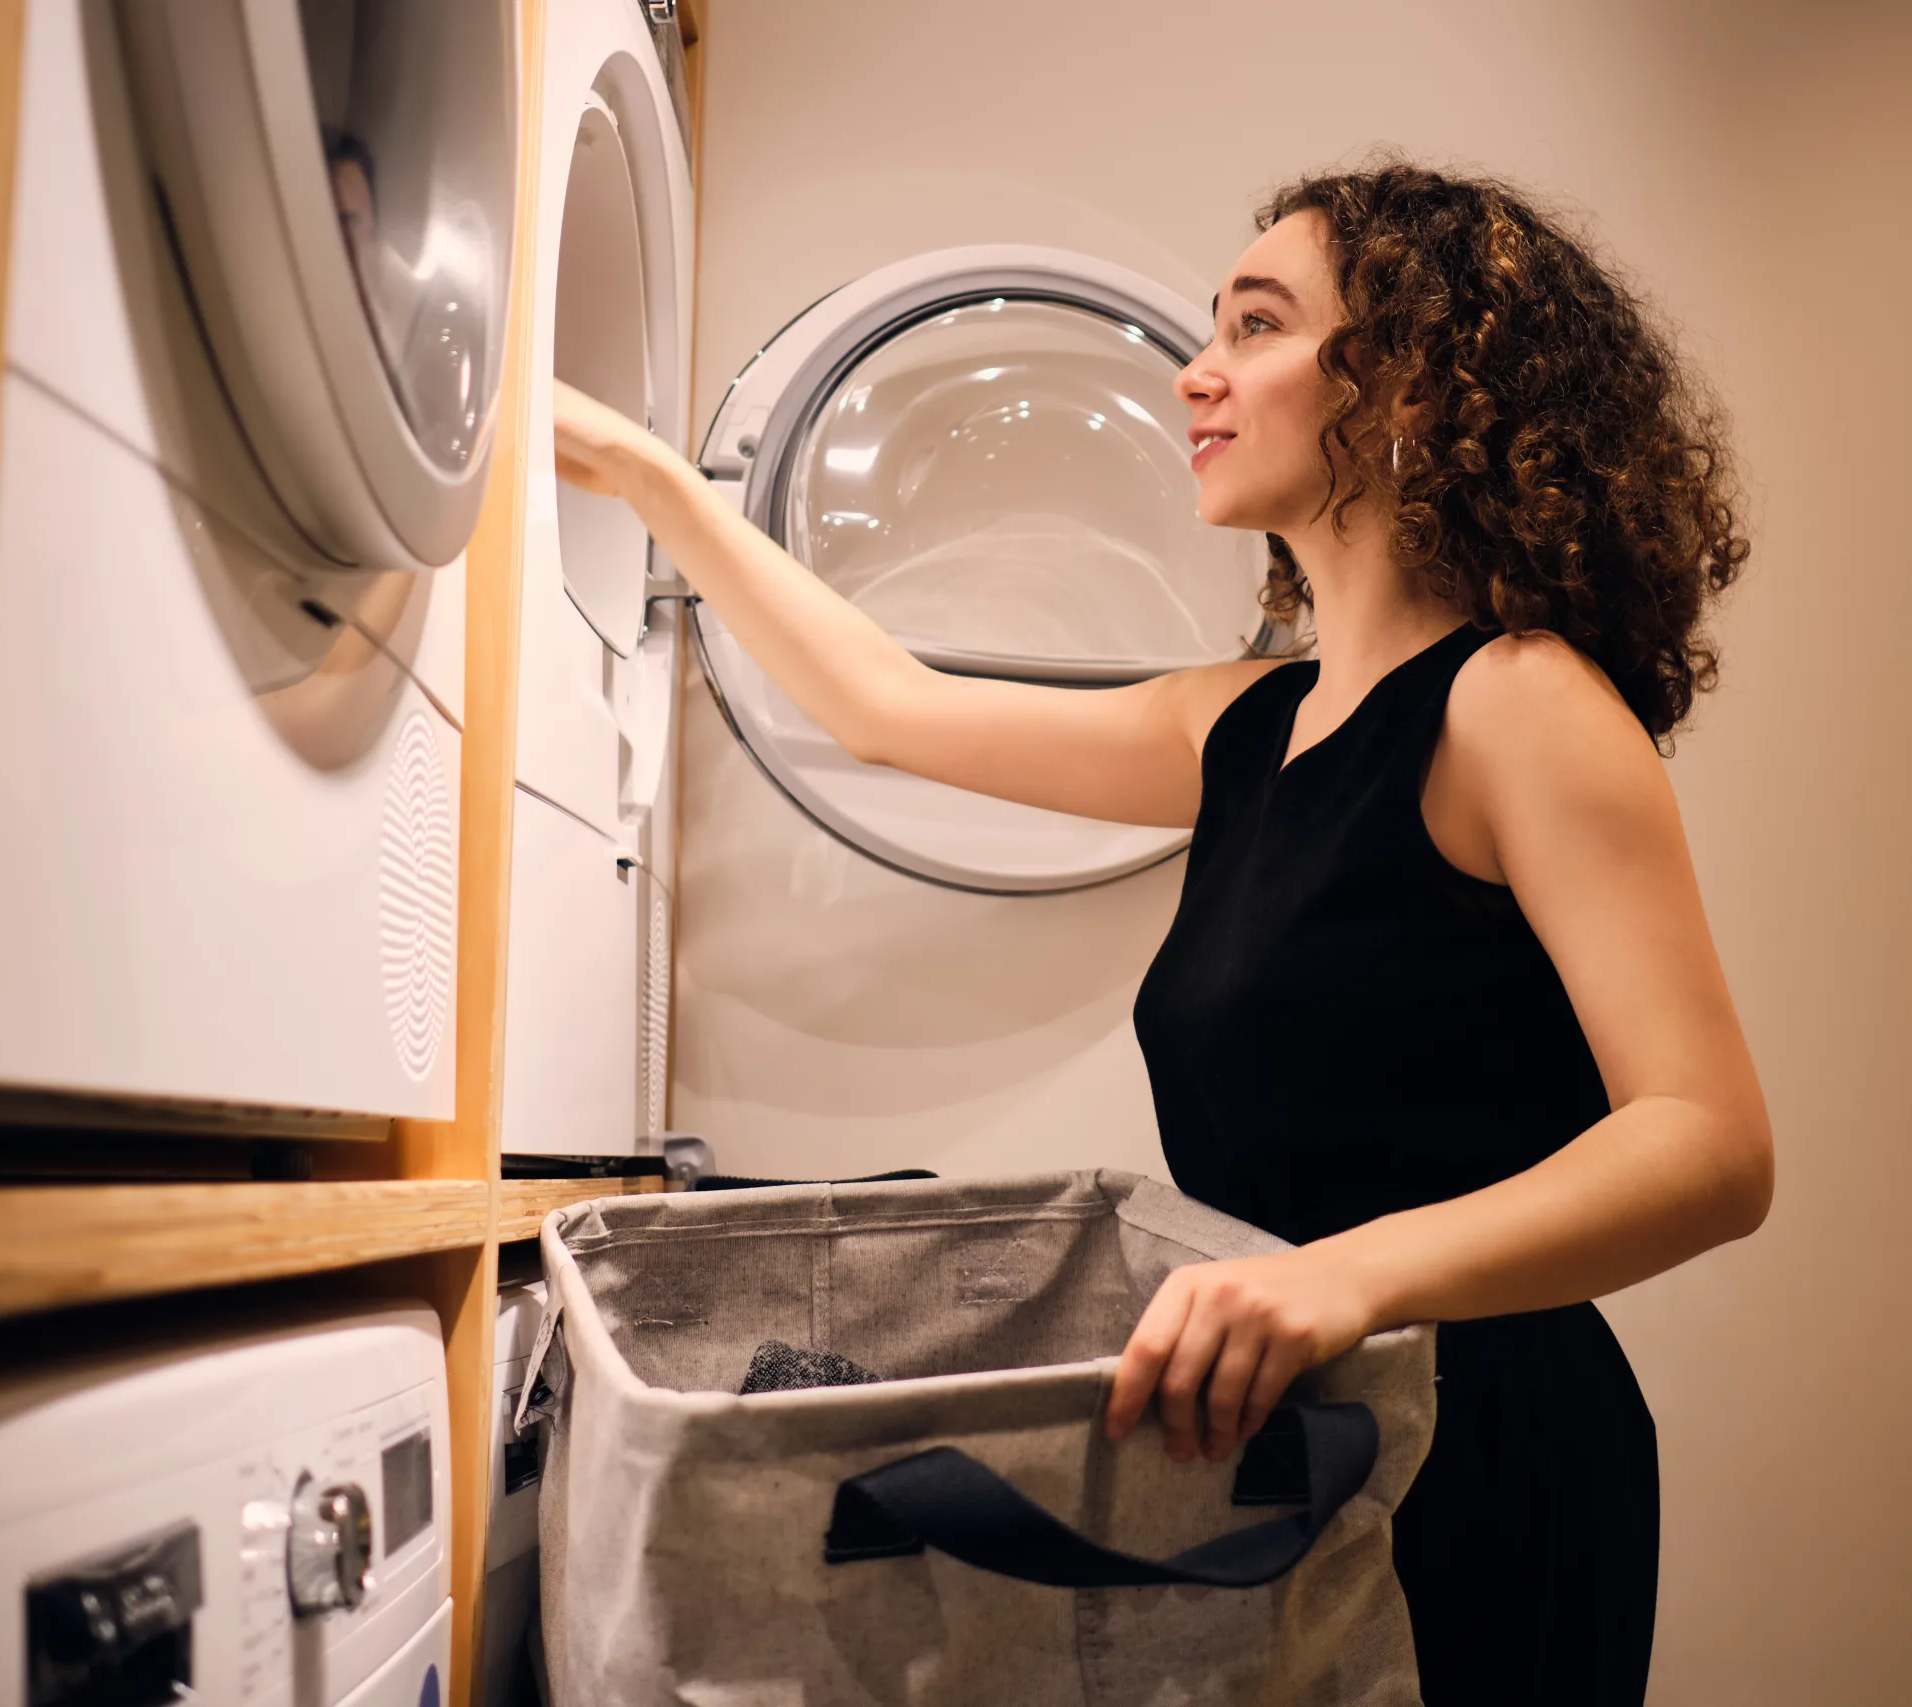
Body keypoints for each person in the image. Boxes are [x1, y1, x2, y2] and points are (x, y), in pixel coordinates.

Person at [552, 160, 1773, 1707]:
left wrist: (1347, 1277)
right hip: (1304, 1433)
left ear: (1404, 376)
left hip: (1485, 1451)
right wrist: (653, 477)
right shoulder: (1247, 725)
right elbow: (885, 709)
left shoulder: (1517, 703)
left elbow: (1712, 1143)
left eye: (1255, 327)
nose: (1199, 370)